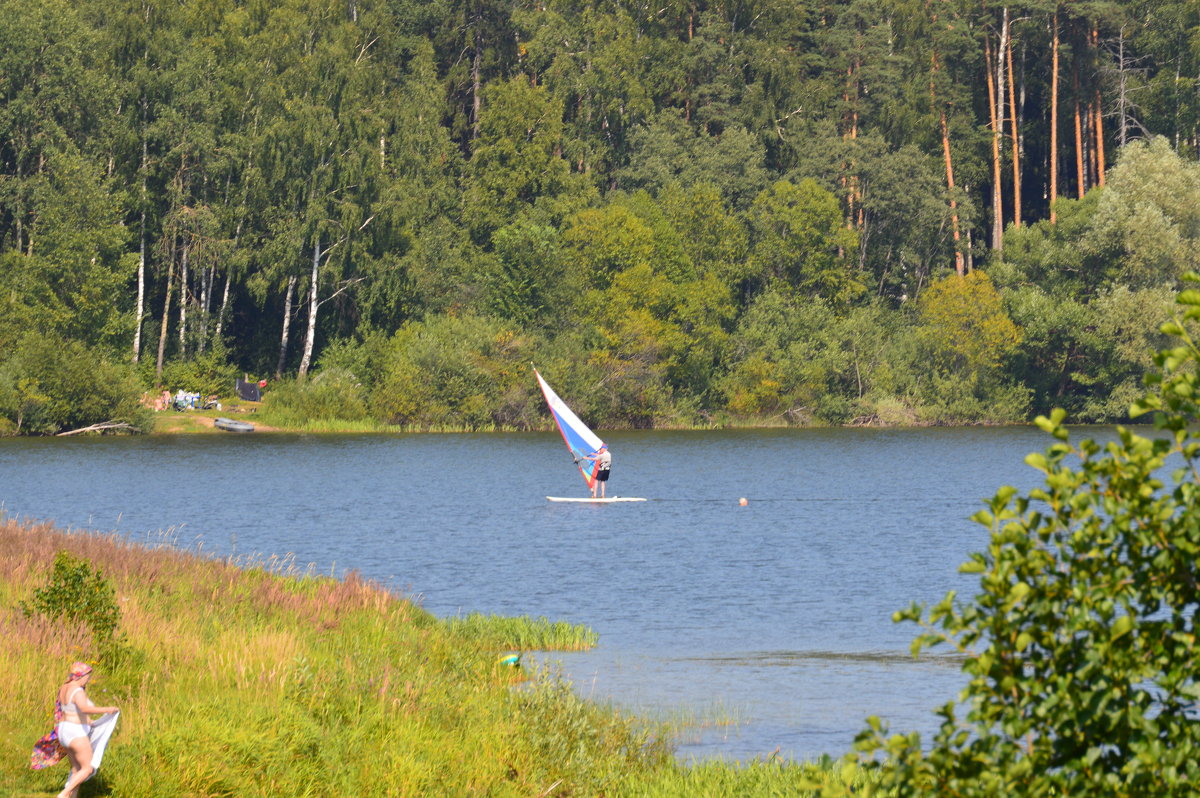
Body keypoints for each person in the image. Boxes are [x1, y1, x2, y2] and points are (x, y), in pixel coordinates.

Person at [55, 662, 118, 798]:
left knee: (77, 769)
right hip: (75, 732)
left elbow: (71, 709)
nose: (88, 679)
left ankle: (72, 796)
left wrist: (88, 721)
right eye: (87, 677)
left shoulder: (65, 687)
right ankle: (64, 794)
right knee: (88, 768)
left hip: (63, 730)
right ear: (80, 676)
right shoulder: (77, 691)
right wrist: (107, 709)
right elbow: (85, 708)